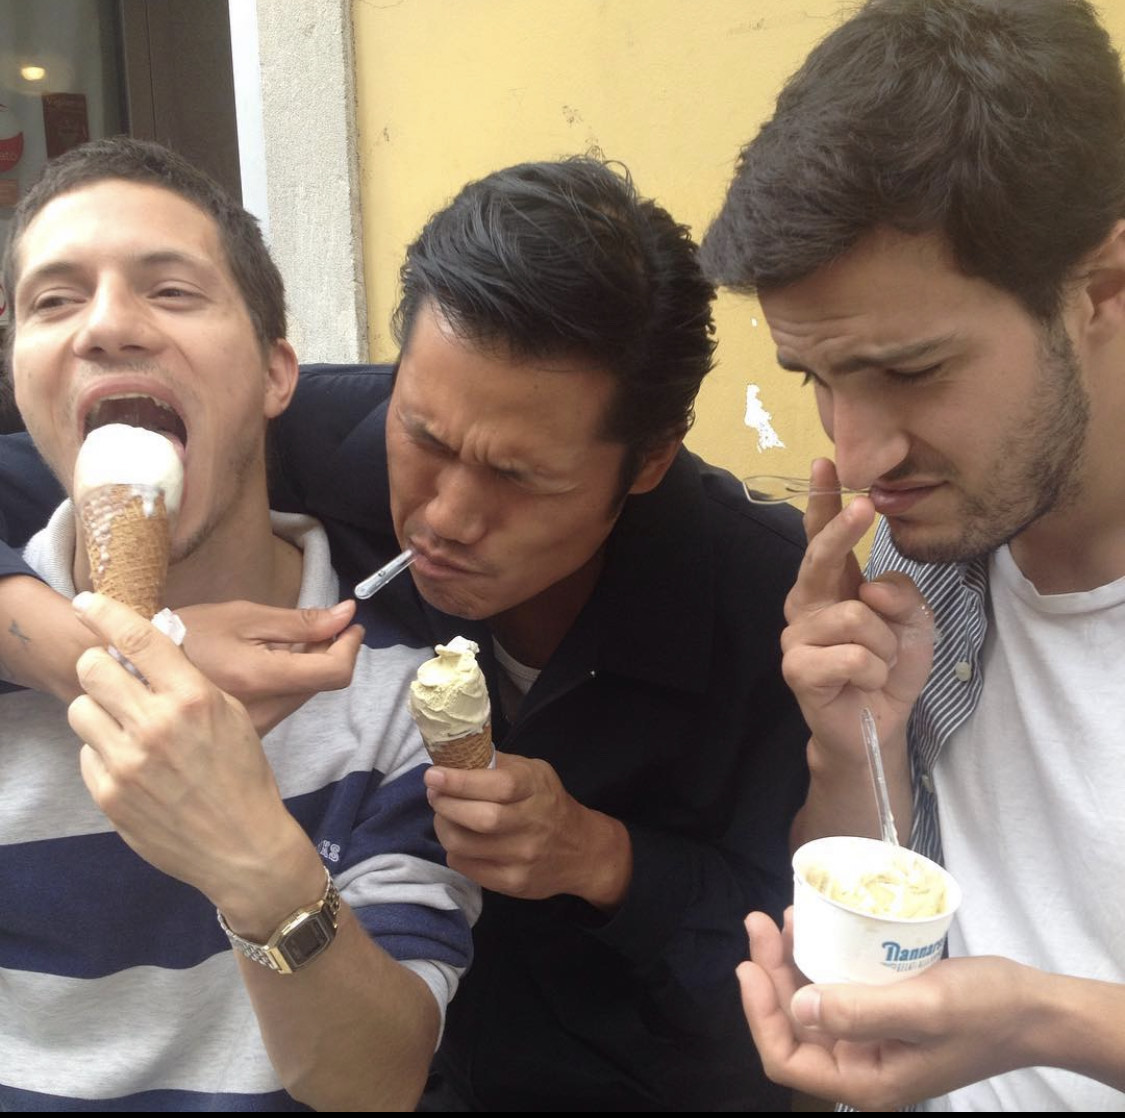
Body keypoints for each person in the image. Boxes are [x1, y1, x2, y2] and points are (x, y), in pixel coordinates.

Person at [0, 156, 811, 1109]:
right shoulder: (310, 432)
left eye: (518, 477)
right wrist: (109, 660)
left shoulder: (759, 597)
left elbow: (794, 945)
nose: (446, 517)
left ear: (647, 462)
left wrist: (601, 858)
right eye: (422, 436)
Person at [698, 0, 1125, 1110]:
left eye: (912, 371)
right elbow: (865, 934)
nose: (857, 456)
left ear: (1101, 289)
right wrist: (856, 746)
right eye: (819, 379)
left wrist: (1047, 1020)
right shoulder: (919, 560)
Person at [0, 135, 480, 1111]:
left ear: (274, 373)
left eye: (172, 290)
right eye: (52, 300)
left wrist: (259, 867)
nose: (107, 325)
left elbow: (377, 1079)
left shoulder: (397, 689)